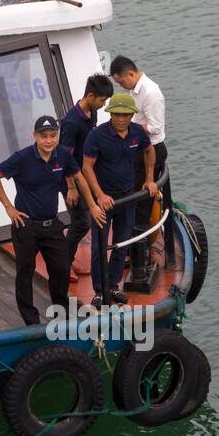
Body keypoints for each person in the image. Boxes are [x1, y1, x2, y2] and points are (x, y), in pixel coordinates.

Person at [0, 115, 100, 326]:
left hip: (52, 225)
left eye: (53, 135)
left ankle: (61, 309)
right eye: (44, 136)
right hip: (26, 227)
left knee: (61, 267)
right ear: (35, 136)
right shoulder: (22, 158)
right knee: (25, 271)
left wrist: (92, 205)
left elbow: (78, 177)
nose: (49, 140)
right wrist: (8, 207)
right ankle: (30, 319)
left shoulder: (63, 155)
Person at [80, 93, 159, 306]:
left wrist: (150, 179)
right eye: (116, 114)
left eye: (125, 115)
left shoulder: (137, 133)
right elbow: (86, 167)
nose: (121, 119)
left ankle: (114, 286)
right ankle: (99, 290)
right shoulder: (97, 136)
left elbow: (149, 151)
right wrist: (100, 196)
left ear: (132, 115)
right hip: (104, 201)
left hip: (127, 198)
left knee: (121, 244)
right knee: (99, 247)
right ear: (110, 114)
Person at [110, 55, 175, 269]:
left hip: (152, 150)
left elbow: (155, 127)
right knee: (133, 197)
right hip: (138, 149)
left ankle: (140, 252)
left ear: (130, 74)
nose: (121, 86)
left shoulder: (151, 93)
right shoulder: (134, 91)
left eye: (121, 82)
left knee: (142, 202)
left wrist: (127, 128)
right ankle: (134, 246)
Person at [60, 74, 114, 264]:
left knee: (86, 218)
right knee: (81, 223)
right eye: (102, 100)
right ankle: (64, 260)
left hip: (86, 173)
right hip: (71, 178)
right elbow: (63, 156)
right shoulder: (72, 122)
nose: (104, 104)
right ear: (90, 95)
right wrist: (71, 188)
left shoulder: (93, 112)